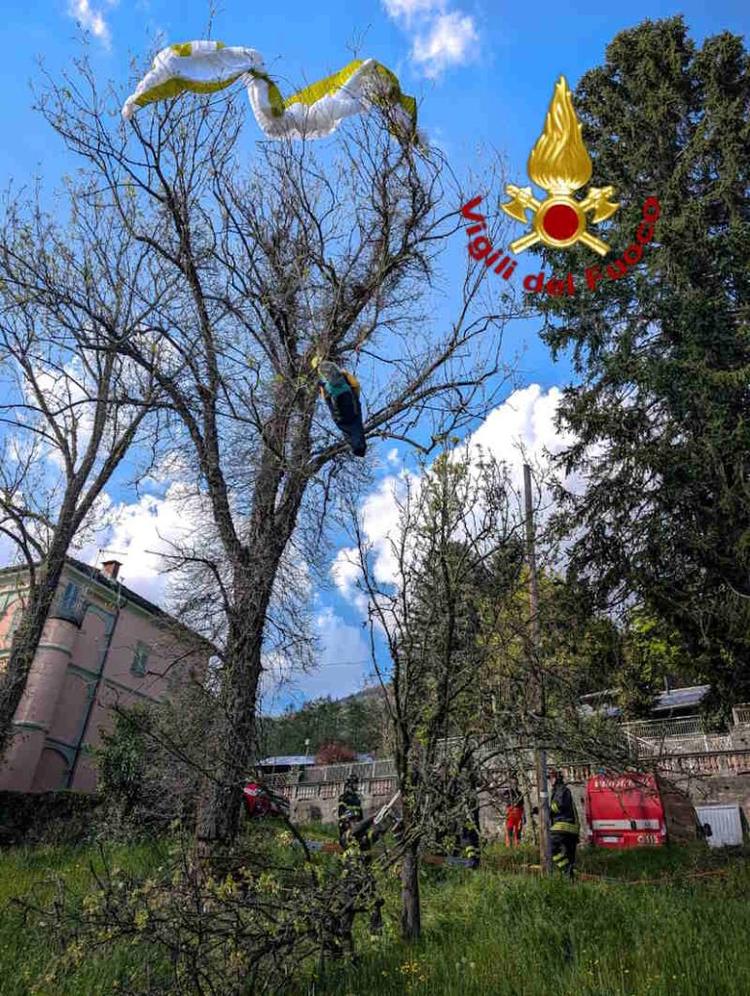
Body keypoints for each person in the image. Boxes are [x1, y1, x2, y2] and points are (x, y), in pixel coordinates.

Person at [317, 359, 367, 457]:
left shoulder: (323, 383)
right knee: (354, 427)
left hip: (340, 412)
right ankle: (359, 447)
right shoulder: (344, 375)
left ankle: (358, 447)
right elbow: (356, 385)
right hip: (349, 408)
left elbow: (326, 399)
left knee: (349, 429)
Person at [549, 768, 579, 880]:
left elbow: (558, 806)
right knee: (569, 856)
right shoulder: (560, 790)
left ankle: (566, 870)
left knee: (551, 847)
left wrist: (545, 810)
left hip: (563, 826)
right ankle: (570, 877)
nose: (550, 780)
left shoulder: (561, 790)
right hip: (571, 828)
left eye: (551, 778)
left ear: (556, 778)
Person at [337, 774, 363, 848]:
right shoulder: (343, 798)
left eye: (357, 784)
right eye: (355, 784)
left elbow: (360, 815)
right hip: (346, 827)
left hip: (357, 827)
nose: (357, 786)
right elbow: (342, 815)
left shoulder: (357, 799)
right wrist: (349, 823)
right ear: (350, 784)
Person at [504, 781, 525, 847]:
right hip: (510, 814)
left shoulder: (519, 793)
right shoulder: (507, 792)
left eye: (515, 783)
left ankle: (517, 847)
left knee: (518, 832)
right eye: (512, 783)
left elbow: (522, 806)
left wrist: (523, 817)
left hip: (518, 814)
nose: (514, 785)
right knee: (509, 831)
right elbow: (503, 797)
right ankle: (509, 848)